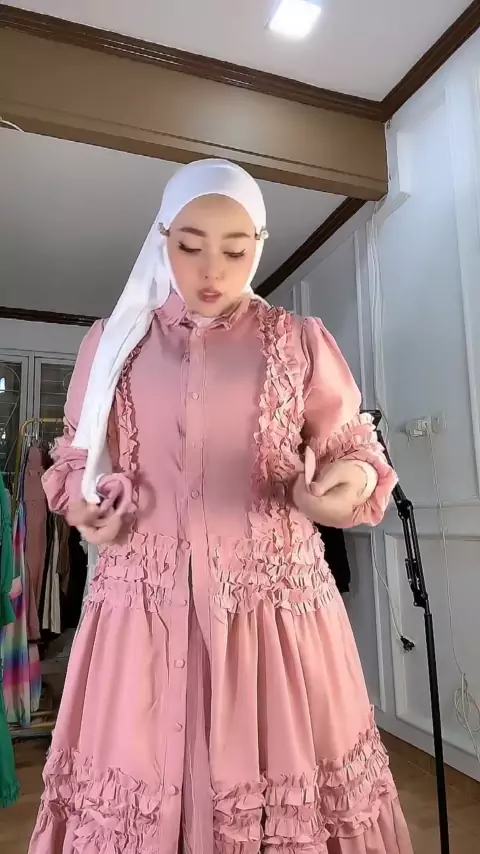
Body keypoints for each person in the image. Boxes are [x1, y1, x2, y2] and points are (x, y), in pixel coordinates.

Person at [29, 159, 413, 854]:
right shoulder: (114, 343)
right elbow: (77, 464)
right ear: (162, 240)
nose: (212, 269)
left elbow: (356, 453)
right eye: (190, 245)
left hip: (275, 620)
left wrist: (336, 486)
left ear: (258, 246)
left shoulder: (297, 342)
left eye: (235, 251)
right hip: (143, 614)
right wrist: (88, 507)